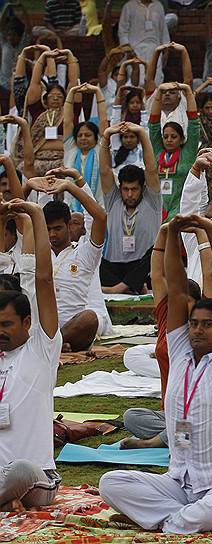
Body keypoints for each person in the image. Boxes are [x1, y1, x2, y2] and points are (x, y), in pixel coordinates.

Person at [99, 213, 212, 533]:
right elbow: (175, 291)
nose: (198, 330)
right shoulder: (180, 352)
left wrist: (211, 231)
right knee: (111, 483)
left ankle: (163, 518)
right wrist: (172, 234)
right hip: (180, 483)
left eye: (208, 324)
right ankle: (176, 518)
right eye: (194, 324)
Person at [0, 198, 62, 512]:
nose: (0, 331)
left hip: (37, 478)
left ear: (27, 322)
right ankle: (6, 502)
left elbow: (41, 280)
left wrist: (36, 215)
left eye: (6, 325)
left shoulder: (41, 348)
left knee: (22, 470)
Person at [119, 224, 202, 449]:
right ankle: (174, 436)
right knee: (131, 417)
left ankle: (154, 442)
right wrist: (164, 231)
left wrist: (203, 233)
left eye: (186, 301)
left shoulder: (204, 328)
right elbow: (157, 274)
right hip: (170, 412)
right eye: (176, 299)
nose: (180, 305)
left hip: (198, 410)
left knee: (195, 422)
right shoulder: (168, 317)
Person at [27, 175, 107, 352]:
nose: (52, 234)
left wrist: (72, 186)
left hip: (74, 327)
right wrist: (30, 186)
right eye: (47, 229)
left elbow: (99, 217)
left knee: (90, 318)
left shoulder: (85, 253)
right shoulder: (38, 250)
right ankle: (56, 345)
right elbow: (19, 218)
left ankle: (53, 345)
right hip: (40, 326)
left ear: (69, 225)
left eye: (57, 228)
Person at [98, 122, 161, 295]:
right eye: (125, 189)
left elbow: (151, 169)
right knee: (93, 257)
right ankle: (130, 287)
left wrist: (141, 132)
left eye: (134, 189)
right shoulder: (114, 199)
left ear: (143, 188)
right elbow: (104, 171)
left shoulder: (152, 200)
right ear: (120, 188)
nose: (130, 194)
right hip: (115, 268)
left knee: (155, 252)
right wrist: (107, 136)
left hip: (143, 268)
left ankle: (120, 289)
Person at [149, 82, 199, 220]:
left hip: (180, 207)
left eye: (174, 136)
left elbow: (194, 125)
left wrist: (187, 90)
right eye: (165, 137)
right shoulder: (158, 152)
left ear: (182, 139)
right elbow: (153, 125)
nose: (169, 140)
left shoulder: (187, 154)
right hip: (157, 208)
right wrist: (159, 92)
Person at [116, 0, 171, 65]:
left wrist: (166, 49)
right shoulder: (129, 6)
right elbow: (122, 31)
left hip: (155, 50)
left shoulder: (158, 6)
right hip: (134, 51)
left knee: (155, 71)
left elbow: (163, 30)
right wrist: (127, 48)